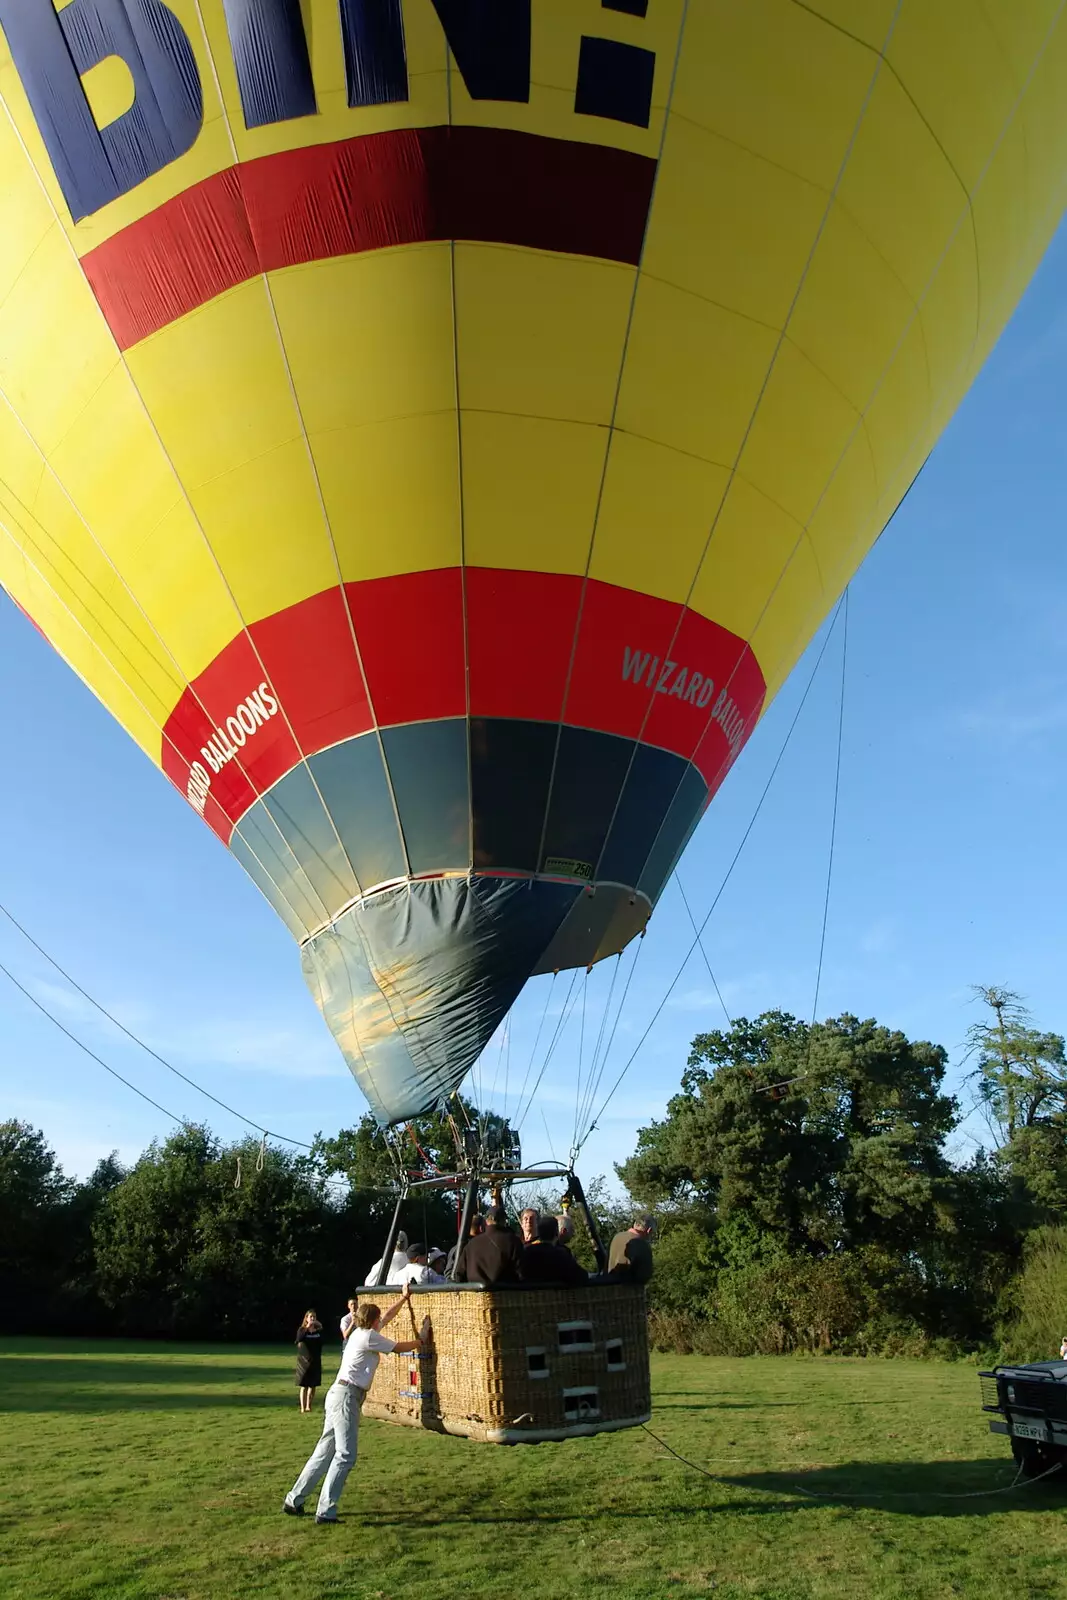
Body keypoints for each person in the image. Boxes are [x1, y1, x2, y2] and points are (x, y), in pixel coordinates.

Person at [283, 1286, 428, 1524]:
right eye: (378, 1318)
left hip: (339, 1394)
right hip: (347, 1396)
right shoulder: (369, 1337)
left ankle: (294, 1499)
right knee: (345, 1455)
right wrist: (420, 1341)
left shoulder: (360, 1334)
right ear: (372, 1320)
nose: (381, 1319)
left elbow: (389, 1316)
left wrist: (404, 1298)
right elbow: (399, 1347)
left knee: (324, 1451)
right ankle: (326, 1510)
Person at [453, 1206, 524, 1285]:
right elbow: (521, 1273)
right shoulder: (513, 1241)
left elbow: (459, 1275)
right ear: (504, 1221)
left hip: (474, 1295)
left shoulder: (471, 1244)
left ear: (487, 1221)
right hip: (505, 1295)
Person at [522, 1216, 588, 1285]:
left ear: (538, 1233)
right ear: (556, 1232)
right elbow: (581, 1277)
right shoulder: (561, 1255)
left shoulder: (526, 1252)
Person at [606, 1214, 656, 1285]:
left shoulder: (616, 1237)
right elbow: (645, 1275)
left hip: (608, 1287)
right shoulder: (642, 1244)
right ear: (649, 1230)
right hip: (630, 1290)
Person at [294, 1310, 323, 1413]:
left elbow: (321, 1343)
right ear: (306, 1318)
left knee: (313, 1385)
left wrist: (319, 1326)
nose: (312, 1319)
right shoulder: (302, 1330)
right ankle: (302, 1407)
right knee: (304, 1385)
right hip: (304, 1362)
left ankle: (308, 1406)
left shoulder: (317, 1332)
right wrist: (307, 1328)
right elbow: (298, 1339)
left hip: (315, 1361)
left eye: (314, 1317)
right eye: (310, 1317)